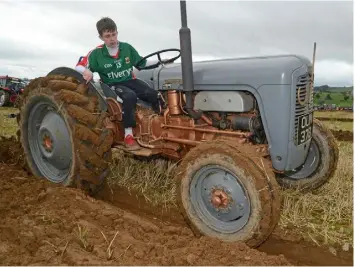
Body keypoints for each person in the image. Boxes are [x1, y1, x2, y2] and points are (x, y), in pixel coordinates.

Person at [75, 17, 160, 151]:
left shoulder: (127, 48)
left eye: (114, 34)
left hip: (129, 80)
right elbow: (79, 66)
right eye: (107, 36)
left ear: (117, 32)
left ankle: (158, 122)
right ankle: (128, 135)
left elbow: (142, 63)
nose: (112, 38)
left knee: (152, 93)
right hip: (112, 84)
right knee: (129, 96)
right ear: (101, 37)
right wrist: (86, 71)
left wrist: (161, 61)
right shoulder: (96, 54)